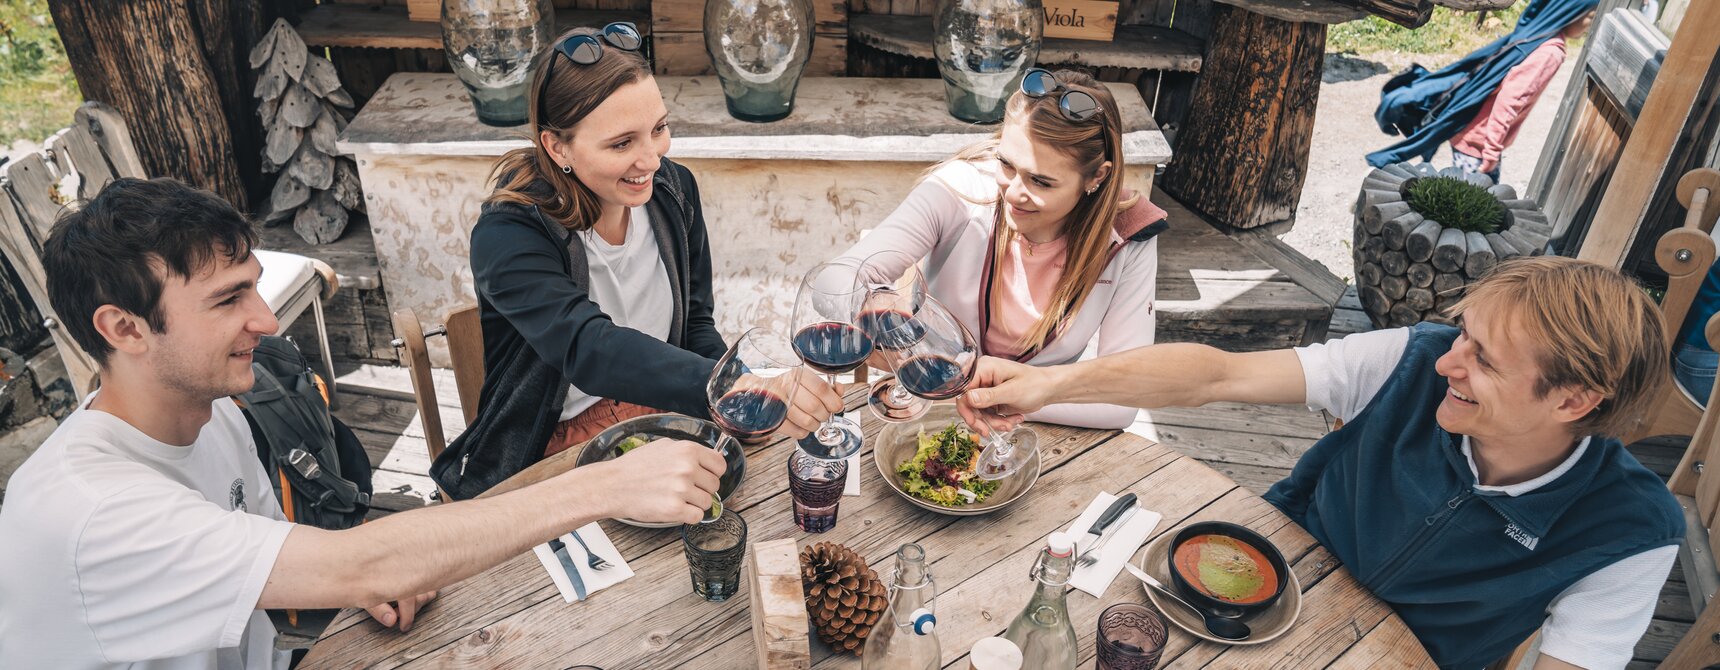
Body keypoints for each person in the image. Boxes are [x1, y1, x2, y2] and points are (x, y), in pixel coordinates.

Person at [0, 177, 728, 668]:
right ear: (123, 329)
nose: (263, 319)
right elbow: (357, 561)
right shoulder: (87, 512)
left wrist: (351, 578)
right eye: (228, 301)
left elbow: (300, 563)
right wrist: (603, 486)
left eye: (254, 287)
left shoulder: (208, 410)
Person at [957, 256, 1682, 669]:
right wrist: (1051, 383)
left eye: (1484, 360)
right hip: (1237, 588)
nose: (1447, 362)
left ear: (1574, 400)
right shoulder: (1415, 356)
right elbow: (1217, 377)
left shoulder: (1632, 529)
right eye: (1464, 335)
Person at [436, 24, 840, 499]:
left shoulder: (674, 193)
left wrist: (744, 391)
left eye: (659, 129)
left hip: (662, 412)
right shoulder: (508, 234)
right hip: (547, 445)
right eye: (622, 143)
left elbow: (696, 326)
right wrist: (728, 383)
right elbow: (590, 348)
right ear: (557, 146)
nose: (651, 159)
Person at [833, 68, 1167, 429]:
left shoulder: (1131, 236)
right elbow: (838, 279)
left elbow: (1123, 399)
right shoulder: (961, 186)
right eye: (1007, 163)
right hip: (928, 405)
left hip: (1030, 426)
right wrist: (866, 305)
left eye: (1041, 181)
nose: (1013, 191)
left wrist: (989, 395)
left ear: (1097, 177)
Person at [1448, 11, 1593, 182]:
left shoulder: (1539, 33)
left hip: (1475, 133)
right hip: (1479, 142)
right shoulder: (1550, 53)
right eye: (1590, 16)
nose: (1591, 23)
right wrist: (1492, 150)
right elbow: (1509, 100)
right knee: (1468, 202)